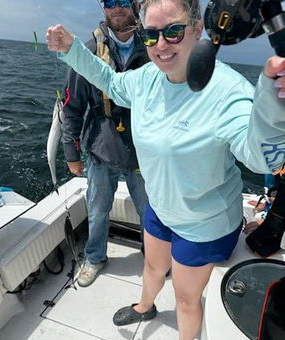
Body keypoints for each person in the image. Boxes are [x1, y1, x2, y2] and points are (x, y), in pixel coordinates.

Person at [46, 0, 285, 338]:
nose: (160, 44)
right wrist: (72, 49)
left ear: (199, 30)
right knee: (153, 267)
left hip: (205, 223)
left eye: (173, 32)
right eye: (151, 34)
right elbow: (112, 84)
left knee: (186, 298)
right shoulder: (146, 78)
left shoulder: (228, 90)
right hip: (161, 207)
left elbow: (261, 158)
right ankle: (145, 306)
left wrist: (274, 104)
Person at [61, 0, 149, 287]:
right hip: (101, 148)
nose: (118, 7)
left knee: (152, 210)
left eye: (125, 1)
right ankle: (95, 257)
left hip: (144, 152)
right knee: (97, 210)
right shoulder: (86, 52)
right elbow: (72, 108)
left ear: (135, 6)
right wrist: (71, 152)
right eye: (111, 1)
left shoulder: (153, 49)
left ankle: (154, 256)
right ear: (103, 8)